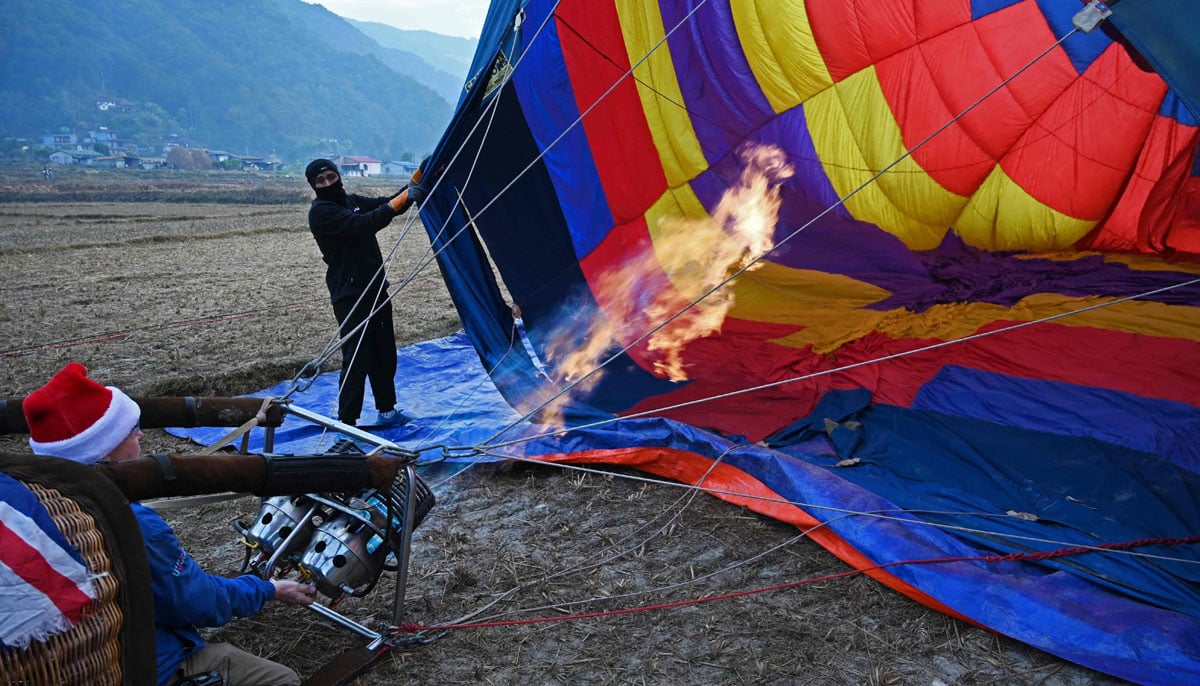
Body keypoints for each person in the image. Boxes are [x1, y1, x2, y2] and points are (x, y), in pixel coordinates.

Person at [23, 362, 317, 686]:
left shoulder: (27, 503)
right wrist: (268, 589)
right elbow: (199, 602)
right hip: (139, 664)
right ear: (104, 450)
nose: (140, 434)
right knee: (283, 680)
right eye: (130, 429)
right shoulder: (133, 524)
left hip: (71, 657)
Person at [305, 158, 428, 427]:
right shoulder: (321, 211)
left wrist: (420, 175)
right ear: (314, 186)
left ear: (338, 176)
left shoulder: (352, 200)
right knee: (358, 358)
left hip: (375, 287)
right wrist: (400, 202)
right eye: (320, 180)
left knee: (384, 353)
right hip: (350, 295)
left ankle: (387, 410)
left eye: (330, 176)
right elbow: (363, 225)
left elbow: (391, 201)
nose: (327, 183)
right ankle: (347, 421)